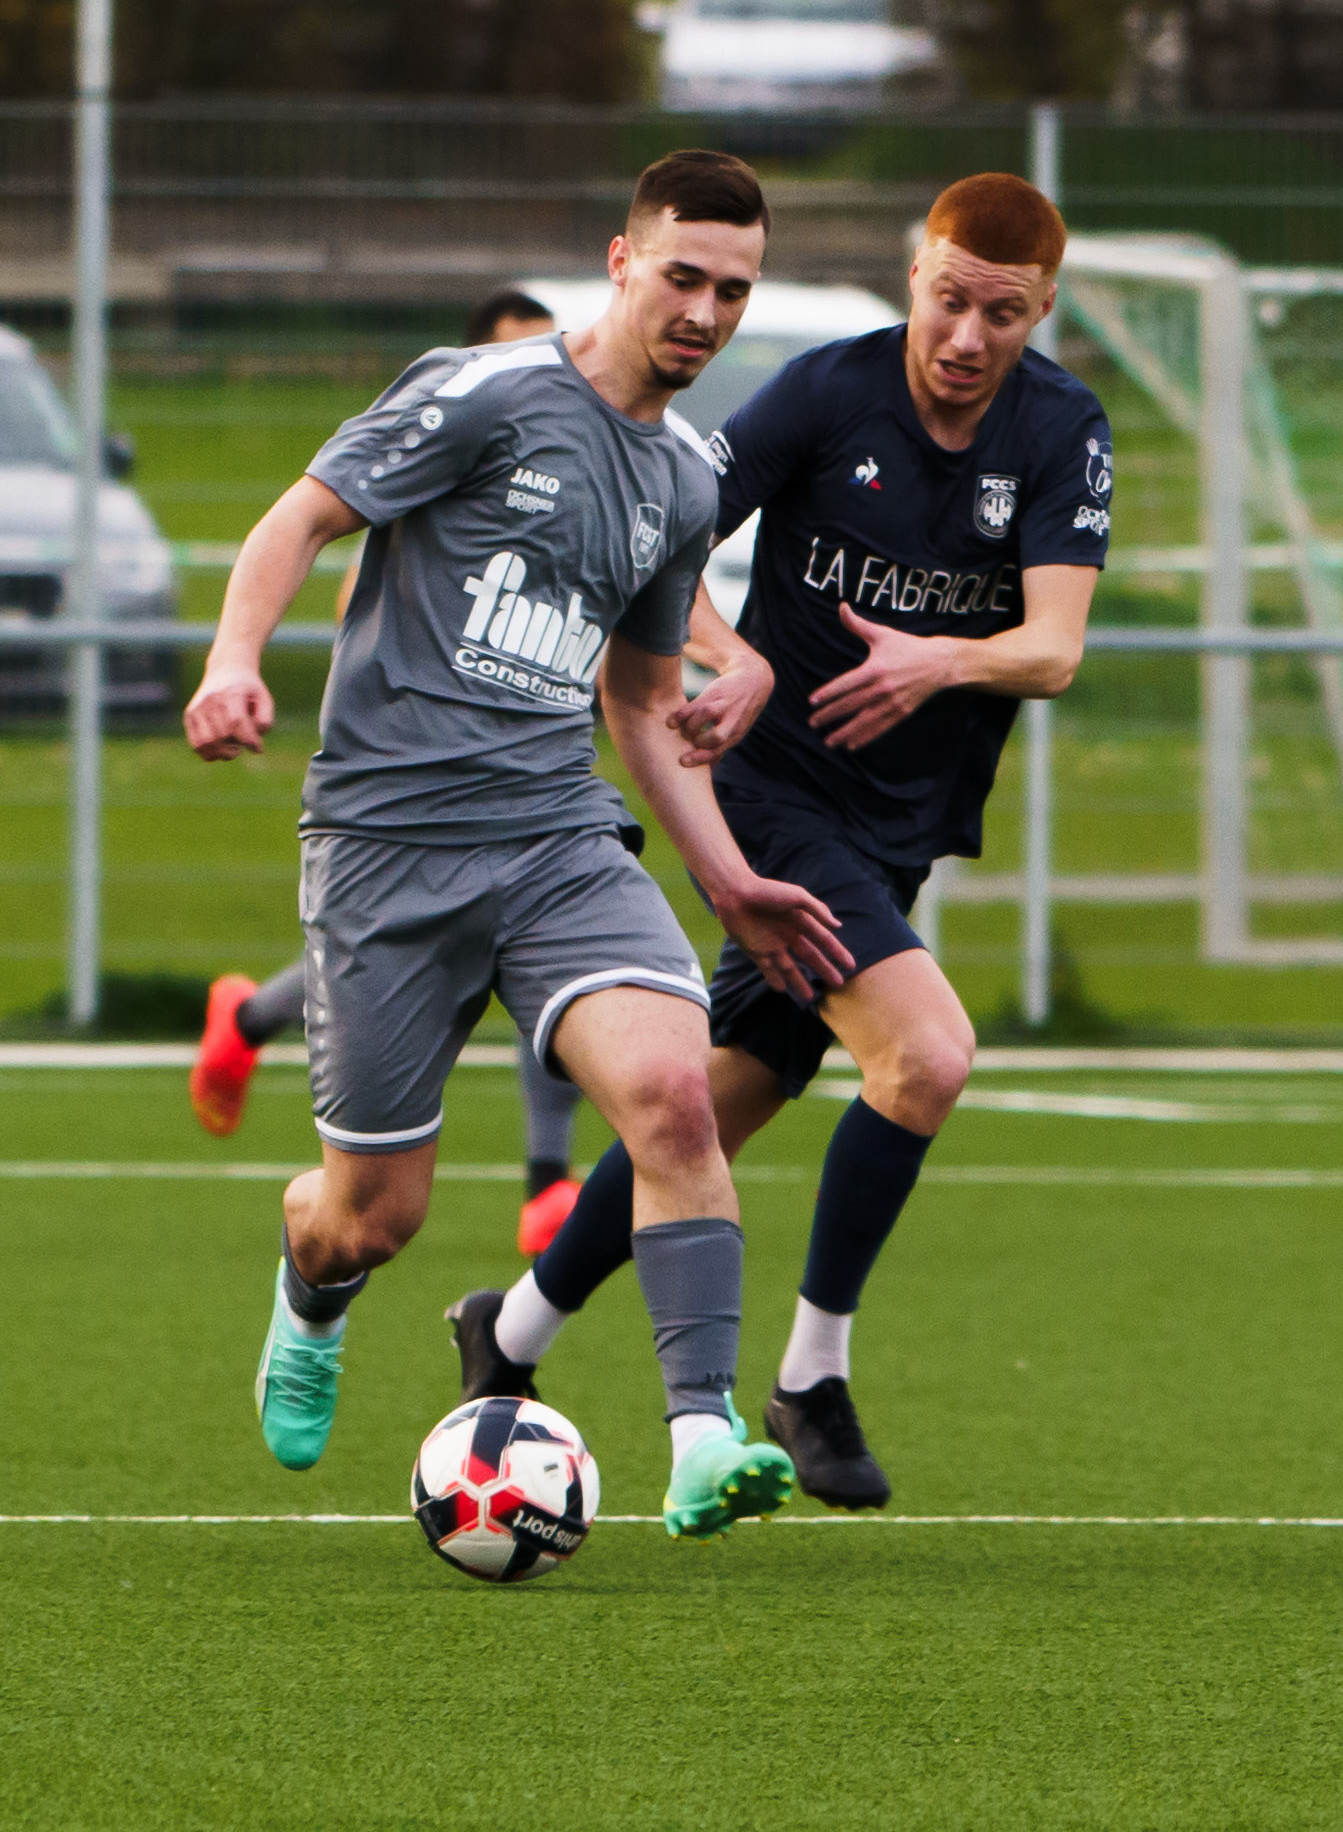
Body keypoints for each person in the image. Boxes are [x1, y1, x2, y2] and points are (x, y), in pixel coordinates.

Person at [183, 149, 853, 1542]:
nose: (706, 311)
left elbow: (639, 699)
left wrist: (727, 882)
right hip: (387, 844)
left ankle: (696, 1438)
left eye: (733, 288)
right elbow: (301, 515)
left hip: (555, 839)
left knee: (673, 1094)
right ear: (619, 263)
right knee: (371, 1215)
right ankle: (310, 1292)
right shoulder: (483, 393)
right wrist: (233, 660)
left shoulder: (677, 481)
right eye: (682, 275)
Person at [454, 171, 1113, 1511]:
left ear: (1037, 310)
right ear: (910, 274)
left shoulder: (1059, 428)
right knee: (923, 1056)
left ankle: (506, 1333)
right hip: (770, 793)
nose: (968, 335)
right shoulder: (826, 391)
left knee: (708, 1100)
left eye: (1004, 313)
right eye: (947, 299)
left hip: (897, 825)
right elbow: (663, 534)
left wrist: (938, 661)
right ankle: (809, 1376)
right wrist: (729, 654)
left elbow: (1050, 648)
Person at [189, 289, 595, 1256]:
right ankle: (245, 1019)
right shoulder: (433, 472)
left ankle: (548, 1180)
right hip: (402, 802)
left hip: (535, 791)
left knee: (556, 973)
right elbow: (339, 588)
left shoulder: (592, 464)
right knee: (397, 973)